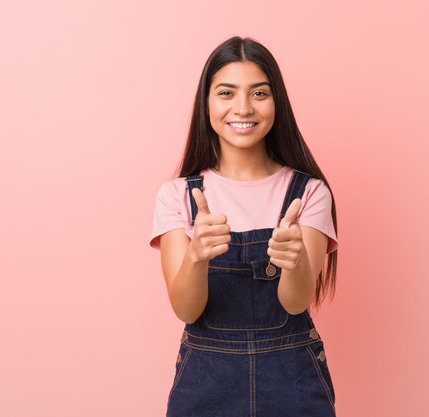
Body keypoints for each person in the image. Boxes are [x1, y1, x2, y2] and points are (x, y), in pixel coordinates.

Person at [149, 36, 339, 417]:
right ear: (206, 104)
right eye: (226, 93)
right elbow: (187, 309)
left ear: (276, 103)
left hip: (292, 380)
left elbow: (296, 302)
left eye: (259, 93)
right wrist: (197, 256)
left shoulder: (310, 192)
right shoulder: (177, 196)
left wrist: (295, 260)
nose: (243, 107)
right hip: (207, 381)